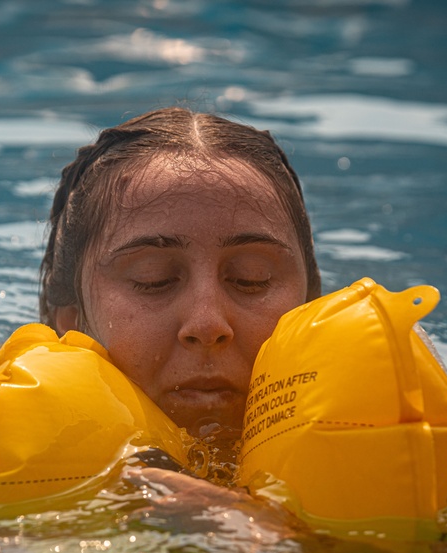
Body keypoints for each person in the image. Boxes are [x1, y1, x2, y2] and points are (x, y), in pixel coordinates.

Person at [39, 106, 321, 447]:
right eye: (152, 279)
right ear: (71, 320)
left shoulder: (387, 418)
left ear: (311, 305)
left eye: (252, 278)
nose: (207, 325)